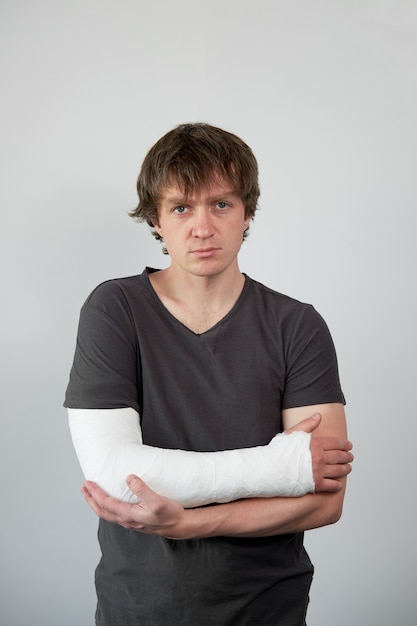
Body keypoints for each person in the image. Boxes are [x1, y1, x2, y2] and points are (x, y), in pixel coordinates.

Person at [65, 122, 353, 626]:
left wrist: (189, 523)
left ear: (247, 213)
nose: (203, 226)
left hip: (267, 606)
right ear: (156, 218)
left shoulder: (296, 325)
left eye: (221, 204)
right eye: (182, 207)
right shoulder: (115, 309)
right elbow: (113, 473)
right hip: (140, 606)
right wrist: (276, 469)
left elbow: (323, 500)